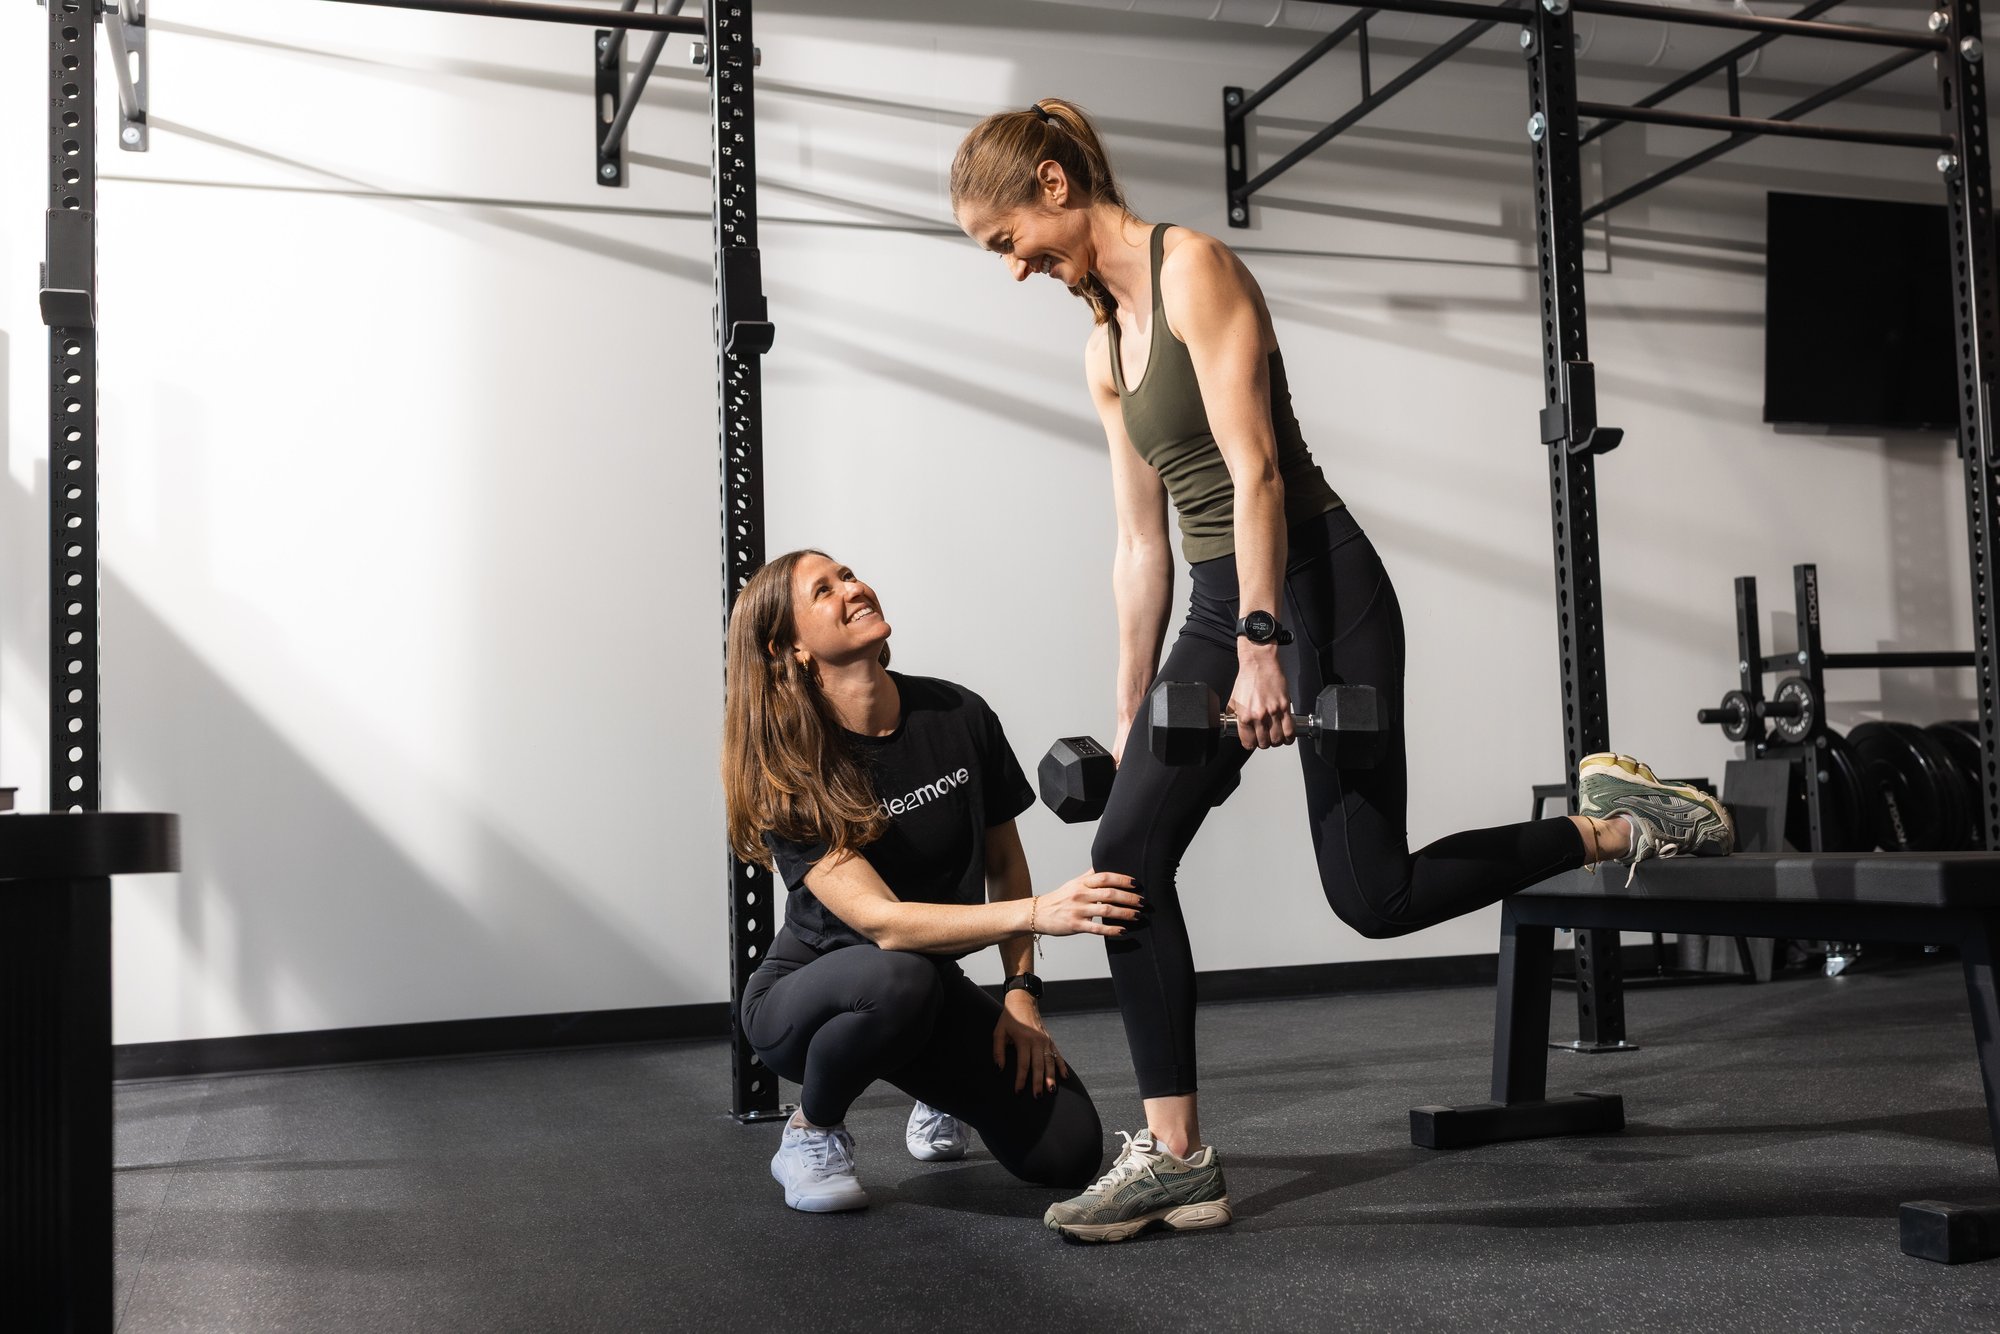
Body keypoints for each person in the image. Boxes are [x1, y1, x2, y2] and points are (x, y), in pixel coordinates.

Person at [949, 100, 1735, 1243]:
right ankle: (1175, 1155)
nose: (1011, 268)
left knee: (1373, 895)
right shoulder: (1102, 345)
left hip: (1318, 584)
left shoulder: (1191, 270)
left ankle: (1611, 823)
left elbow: (1255, 468)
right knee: (1123, 853)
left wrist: (1265, 644)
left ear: (1054, 185)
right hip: (1222, 601)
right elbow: (1139, 540)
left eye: (1003, 239)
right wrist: (1133, 705)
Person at [723, 548, 1142, 1213]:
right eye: (824, 590)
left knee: (1066, 1151)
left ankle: (932, 1084)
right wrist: (1039, 912)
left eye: (850, 574)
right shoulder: (792, 768)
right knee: (900, 977)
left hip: (924, 985)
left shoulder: (957, 715)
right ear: (791, 647)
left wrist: (1020, 994)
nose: (853, 589)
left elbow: (1004, 864)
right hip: (810, 999)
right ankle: (812, 1130)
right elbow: (885, 924)